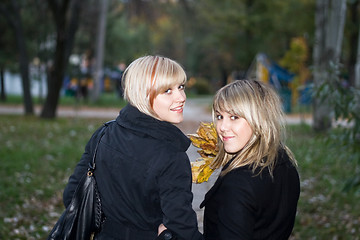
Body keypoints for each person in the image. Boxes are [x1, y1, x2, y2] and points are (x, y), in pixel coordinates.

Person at [63, 55, 203, 240]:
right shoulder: (171, 157)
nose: (181, 97)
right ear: (143, 93)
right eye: (168, 90)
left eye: (181, 87)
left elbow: (71, 196)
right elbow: (182, 231)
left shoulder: (104, 134)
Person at [200, 79, 300, 240]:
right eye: (219, 116)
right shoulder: (285, 163)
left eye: (234, 117)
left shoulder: (238, 183)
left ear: (259, 119)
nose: (222, 127)